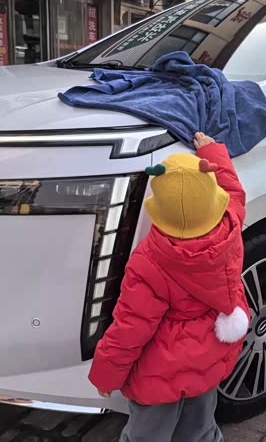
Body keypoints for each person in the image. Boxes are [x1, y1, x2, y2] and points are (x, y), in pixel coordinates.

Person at [88, 132, 250, 442]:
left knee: (148, 436)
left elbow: (130, 328)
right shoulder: (230, 224)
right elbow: (233, 190)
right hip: (208, 358)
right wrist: (213, 153)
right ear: (214, 199)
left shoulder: (149, 261)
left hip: (159, 375)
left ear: (158, 211)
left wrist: (106, 374)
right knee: (200, 430)